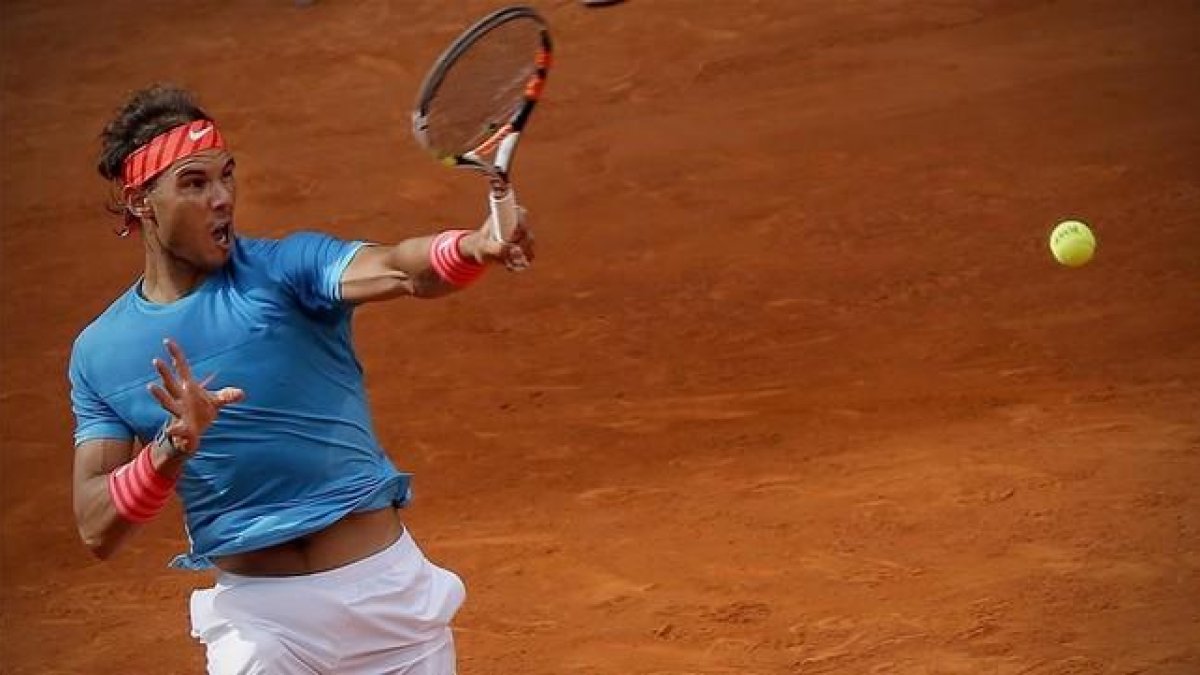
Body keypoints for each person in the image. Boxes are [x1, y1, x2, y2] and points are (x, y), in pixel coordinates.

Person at [69, 84, 533, 674]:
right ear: (141, 202)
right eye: (194, 183)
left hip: (387, 604)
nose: (222, 198)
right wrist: (169, 449)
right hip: (262, 629)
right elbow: (95, 527)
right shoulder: (101, 352)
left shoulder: (287, 270)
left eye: (226, 176)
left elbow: (398, 268)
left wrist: (473, 246)